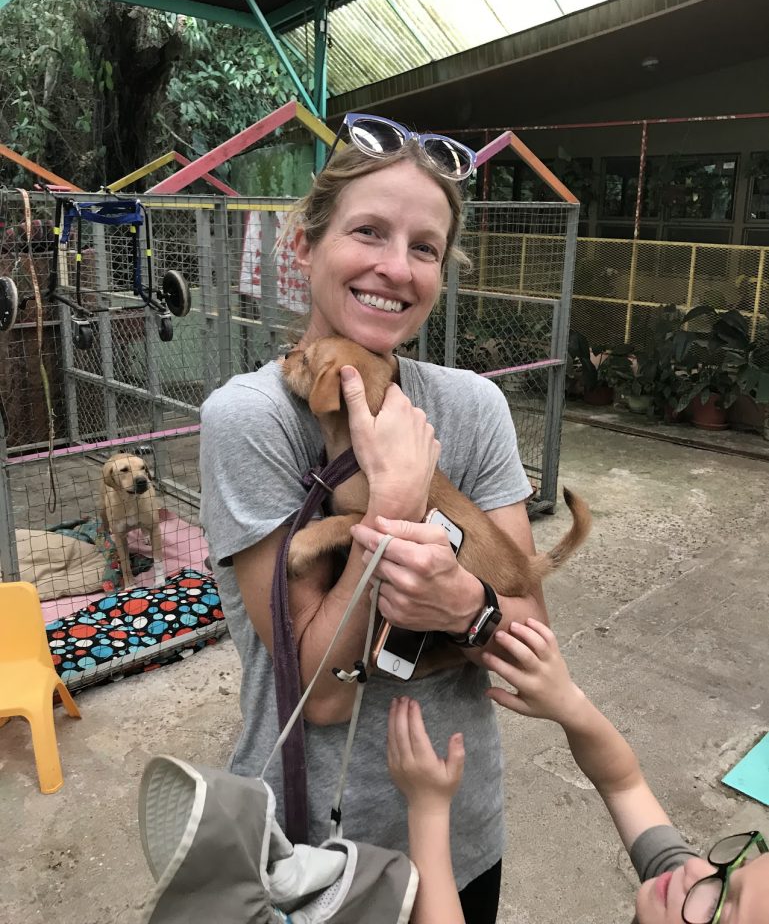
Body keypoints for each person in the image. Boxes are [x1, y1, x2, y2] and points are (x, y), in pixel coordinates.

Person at [199, 115, 546, 924]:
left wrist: (467, 608)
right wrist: (391, 503)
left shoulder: (472, 405)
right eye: (367, 232)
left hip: (460, 823)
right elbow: (319, 696)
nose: (396, 268)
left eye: (424, 247)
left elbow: (528, 627)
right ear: (302, 250)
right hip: (317, 844)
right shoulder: (249, 417)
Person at [385, 617, 769, 924]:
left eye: (723, 907)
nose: (696, 869)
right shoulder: (688, 887)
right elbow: (624, 785)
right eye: (739, 865)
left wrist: (428, 810)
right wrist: (569, 703)